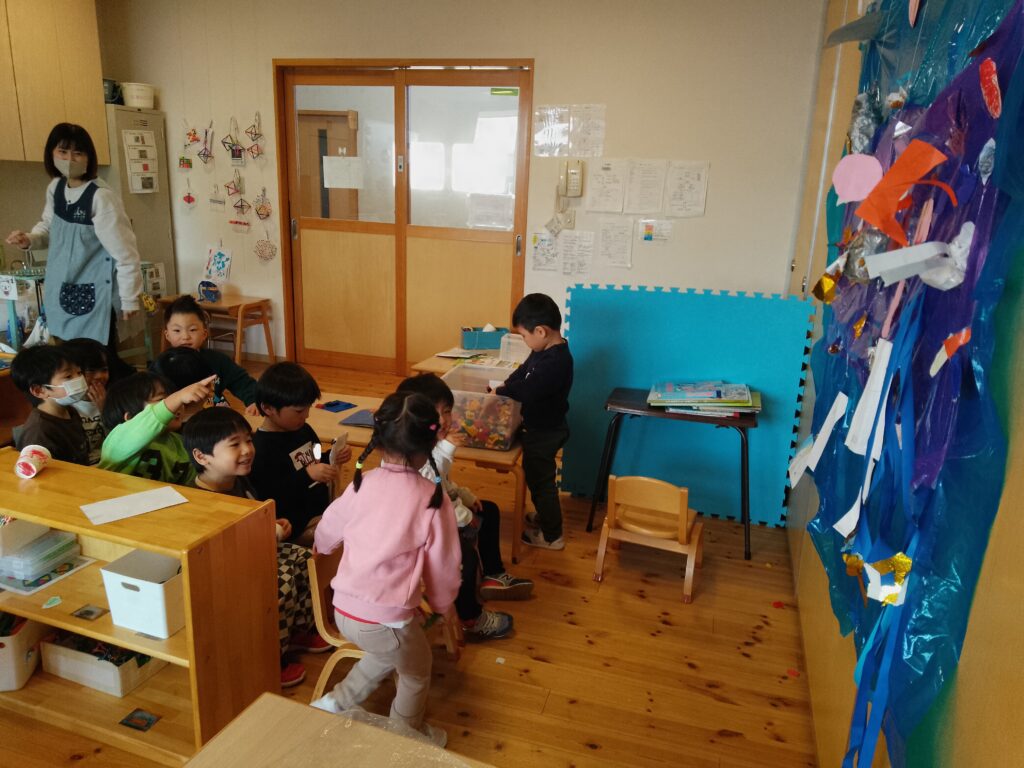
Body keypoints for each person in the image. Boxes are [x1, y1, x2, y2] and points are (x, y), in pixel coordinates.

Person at [311, 391, 460, 748]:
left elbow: (327, 529)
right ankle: (402, 740)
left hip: (343, 609)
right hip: (385, 618)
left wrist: (322, 549)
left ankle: (333, 703)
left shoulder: (362, 483)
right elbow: (444, 566)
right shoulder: (432, 498)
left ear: (378, 440)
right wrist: (444, 606)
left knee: (385, 653)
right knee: (416, 672)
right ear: (431, 443)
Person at [182, 407, 326, 688]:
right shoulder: (201, 502)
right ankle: (271, 657)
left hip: (256, 552)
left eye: (248, 440)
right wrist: (265, 536)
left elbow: (254, 515)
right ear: (201, 456)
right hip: (226, 573)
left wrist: (272, 524)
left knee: (304, 558)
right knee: (279, 584)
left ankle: (298, 628)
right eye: (234, 444)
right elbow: (217, 554)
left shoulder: (239, 480)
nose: (247, 450)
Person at [397, 373, 533, 641]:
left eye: (447, 411)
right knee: (464, 558)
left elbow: (445, 484)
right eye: (435, 414)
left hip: (441, 517)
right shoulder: (412, 453)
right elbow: (431, 497)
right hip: (422, 530)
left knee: (489, 510)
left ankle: (493, 575)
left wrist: (466, 497)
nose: (444, 420)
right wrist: (463, 517)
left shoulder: (429, 444)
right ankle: (470, 618)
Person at [5, 123, 140, 380]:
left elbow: (125, 253)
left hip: (94, 295)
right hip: (62, 289)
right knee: (70, 363)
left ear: (89, 158)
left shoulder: (100, 197)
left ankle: (120, 399)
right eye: (63, 152)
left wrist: (129, 298)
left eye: (78, 153)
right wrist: (29, 239)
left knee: (97, 364)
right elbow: (48, 226)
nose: (69, 159)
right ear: (51, 154)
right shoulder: (55, 188)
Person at [495, 293, 574, 550]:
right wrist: (506, 383)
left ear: (541, 331)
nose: (525, 341)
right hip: (538, 428)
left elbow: (529, 390)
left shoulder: (557, 361)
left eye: (524, 336)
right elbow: (522, 373)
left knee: (542, 484)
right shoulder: (542, 351)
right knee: (536, 478)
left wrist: (502, 392)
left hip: (546, 432)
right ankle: (545, 516)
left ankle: (552, 536)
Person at [250, 362, 351, 546]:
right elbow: (269, 495)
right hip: (296, 526)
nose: (306, 415)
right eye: (299, 411)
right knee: (351, 532)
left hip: (321, 510)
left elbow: (315, 458)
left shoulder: (303, 429)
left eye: (308, 408)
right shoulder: (260, 449)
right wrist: (307, 475)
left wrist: (332, 456)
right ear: (268, 408)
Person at [99, 371, 216, 484]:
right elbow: (151, 418)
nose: (177, 405)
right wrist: (178, 396)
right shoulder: (120, 440)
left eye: (171, 398)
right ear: (131, 418)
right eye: (162, 400)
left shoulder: (181, 444)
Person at [162, 294, 258, 407]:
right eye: (177, 330)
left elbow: (242, 382)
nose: (185, 337)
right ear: (167, 335)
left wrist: (254, 401)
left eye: (192, 329)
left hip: (214, 413)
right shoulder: (161, 366)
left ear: (204, 334)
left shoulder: (218, 360)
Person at [10, 345, 89, 465]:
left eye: (79, 372)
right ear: (39, 391)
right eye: (68, 376)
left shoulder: (69, 410)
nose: (79, 379)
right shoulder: (39, 433)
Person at [60, 338, 110, 465]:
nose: (99, 376)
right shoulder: (65, 404)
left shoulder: (112, 398)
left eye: (104, 369)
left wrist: (105, 409)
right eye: (91, 371)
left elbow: (121, 438)